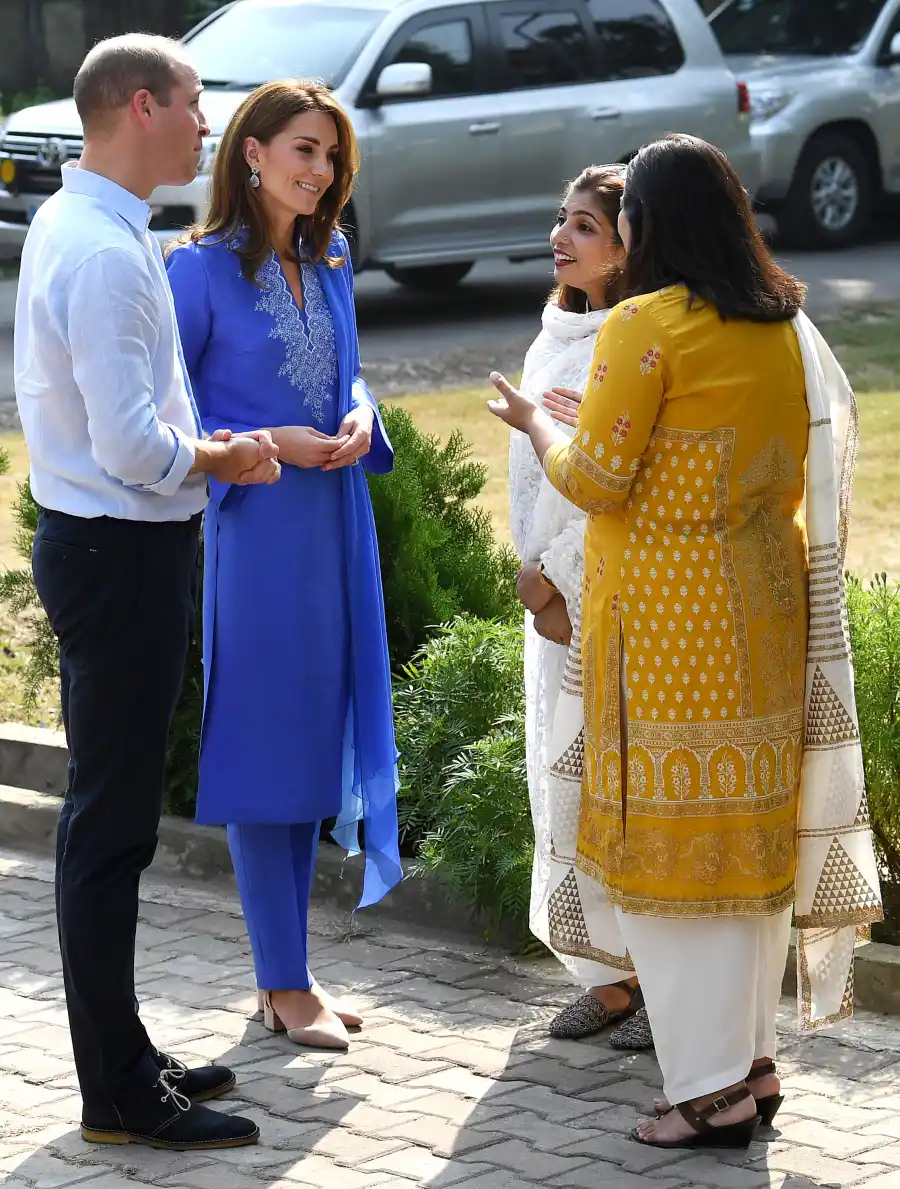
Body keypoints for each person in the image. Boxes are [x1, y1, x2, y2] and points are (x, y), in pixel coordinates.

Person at [488, 134, 882, 1150]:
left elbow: (596, 480)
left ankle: (706, 1092)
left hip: (668, 623)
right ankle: (750, 1067)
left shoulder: (646, 328)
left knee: (672, 859)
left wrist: (538, 424)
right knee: (744, 845)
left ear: (646, 227)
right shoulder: (781, 324)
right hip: (763, 608)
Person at [14, 35, 277, 1150]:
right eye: (194, 102)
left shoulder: (89, 226)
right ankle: (117, 1089)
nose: (207, 124)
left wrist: (193, 452)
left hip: (110, 546)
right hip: (117, 551)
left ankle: (121, 1052)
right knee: (110, 827)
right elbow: (130, 448)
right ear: (138, 107)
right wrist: (223, 455)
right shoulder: (107, 252)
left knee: (108, 820)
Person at [166, 80, 402, 1053]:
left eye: (333, 155)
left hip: (335, 522)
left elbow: (345, 368)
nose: (322, 170)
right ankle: (281, 979)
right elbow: (168, 422)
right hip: (257, 531)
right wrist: (275, 438)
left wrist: (359, 416)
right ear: (250, 152)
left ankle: (286, 976)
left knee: (316, 733)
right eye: (306, 149)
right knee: (268, 742)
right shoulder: (197, 271)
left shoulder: (332, 256)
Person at [509, 165, 650, 1047]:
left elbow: (621, 483)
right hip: (546, 599)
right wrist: (531, 574)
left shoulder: (635, 341)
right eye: (563, 219)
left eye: (588, 227)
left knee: (616, 784)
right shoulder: (557, 329)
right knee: (557, 782)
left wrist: (564, 577)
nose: (563, 237)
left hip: (601, 596)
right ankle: (605, 975)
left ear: (629, 245)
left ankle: (656, 977)